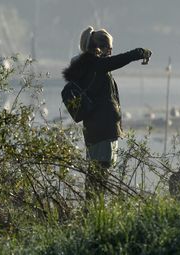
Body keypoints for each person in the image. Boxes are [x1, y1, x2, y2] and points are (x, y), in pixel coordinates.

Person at [62, 26, 151, 199]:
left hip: (96, 129)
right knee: (99, 172)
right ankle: (93, 209)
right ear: (100, 48)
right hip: (101, 129)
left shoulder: (88, 66)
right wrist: (141, 52)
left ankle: (93, 207)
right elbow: (121, 60)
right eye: (109, 48)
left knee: (98, 171)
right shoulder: (95, 65)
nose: (110, 52)